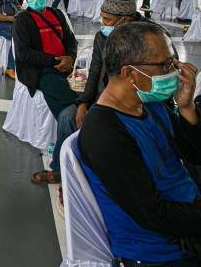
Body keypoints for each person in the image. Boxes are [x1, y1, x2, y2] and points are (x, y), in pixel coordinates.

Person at [76, 22, 201, 266]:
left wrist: (186, 107)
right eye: (165, 64)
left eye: (173, 62)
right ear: (129, 73)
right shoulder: (105, 133)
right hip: (162, 248)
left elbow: (194, 154)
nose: (174, 71)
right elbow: (152, 214)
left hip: (189, 211)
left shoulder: (151, 105)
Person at [33, 0, 177, 183]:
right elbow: (94, 72)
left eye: (107, 19)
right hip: (111, 93)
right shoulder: (103, 36)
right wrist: (83, 102)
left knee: (117, 129)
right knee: (68, 116)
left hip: (143, 97)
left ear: (124, 20)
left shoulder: (153, 37)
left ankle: (105, 176)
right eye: (102, 17)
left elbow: (166, 72)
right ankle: (61, 169)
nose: (102, 23)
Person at [14, 0, 79, 185]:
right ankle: (69, 155)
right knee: (71, 106)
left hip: (66, 65)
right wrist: (54, 62)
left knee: (86, 91)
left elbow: (70, 40)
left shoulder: (57, 14)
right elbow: (24, 53)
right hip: (41, 69)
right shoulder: (22, 20)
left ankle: (75, 143)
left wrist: (69, 57)